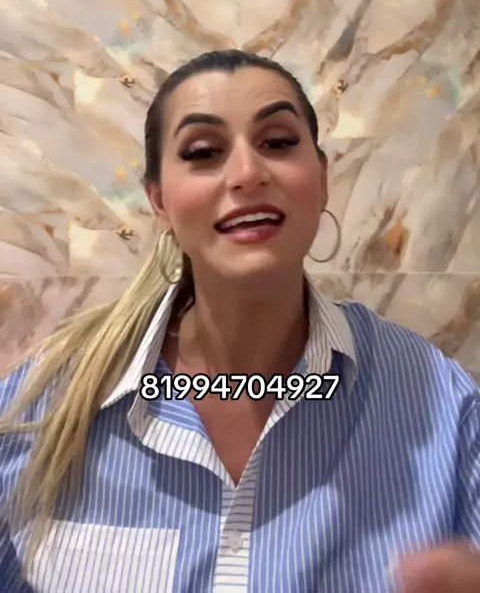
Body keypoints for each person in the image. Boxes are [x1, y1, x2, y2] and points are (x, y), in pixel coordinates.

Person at [0, 48, 479, 593]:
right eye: (203, 152)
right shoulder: (41, 408)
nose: (248, 173)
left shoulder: (441, 403)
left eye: (277, 142)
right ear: (160, 201)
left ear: (322, 179)